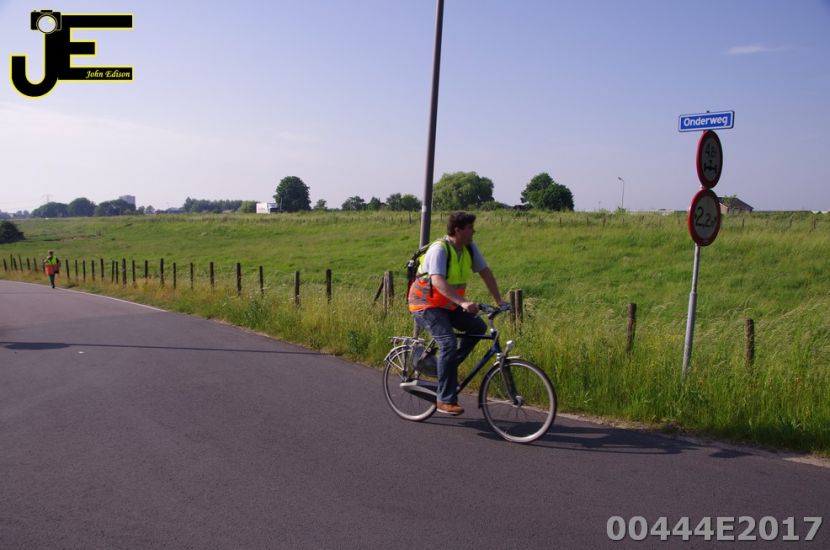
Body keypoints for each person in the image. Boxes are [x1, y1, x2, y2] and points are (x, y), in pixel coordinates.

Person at [407, 211, 508, 415]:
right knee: (448, 342)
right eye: (470, 228)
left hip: (448, 305)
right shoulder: (440, 249)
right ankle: (444, 399)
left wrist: (499, 300)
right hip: (425, 304)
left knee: (477, 327)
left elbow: (485, 272)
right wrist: (463, 302)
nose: (474, 231)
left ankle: (444, 367)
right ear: (458, 230)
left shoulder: (469, 248)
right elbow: (437, 280)